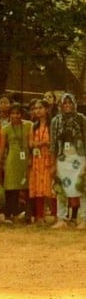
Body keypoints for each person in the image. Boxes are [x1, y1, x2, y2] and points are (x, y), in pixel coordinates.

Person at [50, 93, 86, 229]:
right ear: (61, 105)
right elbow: (53, 144)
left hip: (79, 157)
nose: (68, 105)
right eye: (65, 103)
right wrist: (53, 164)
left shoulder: (82, 119)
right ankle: (62, 218)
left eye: (70, 102)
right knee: (61, 189)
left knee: (82, 188)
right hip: (62, 159)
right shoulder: (55, 121)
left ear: (75, 104)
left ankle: (84, 219)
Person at [0, 103, 32, 223]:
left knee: (27, 187)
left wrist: (31, 158)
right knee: (10, 188)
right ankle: (9, 215)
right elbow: (2, 148)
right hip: (12, 160)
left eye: (18, 113)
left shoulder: (29, 125)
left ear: (21, 114)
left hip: (26, 159)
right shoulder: (6, 128)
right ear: (9, 115)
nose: (15, 115)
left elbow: (31, 144)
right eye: (13, 113)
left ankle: (28, 214)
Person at [28, 99, 55, 225]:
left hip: (49, 158)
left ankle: (56, 216)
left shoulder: (52, 125)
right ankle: (39, 216)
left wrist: (45, 143)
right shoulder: (34, 125)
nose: (37, 110)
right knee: (38, 188)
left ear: (47, 109)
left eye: (40, 108)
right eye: (36, 108)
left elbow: (55, 143)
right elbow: (30, 143)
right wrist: (36, 144)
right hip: (37, 160)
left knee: (51, 188)